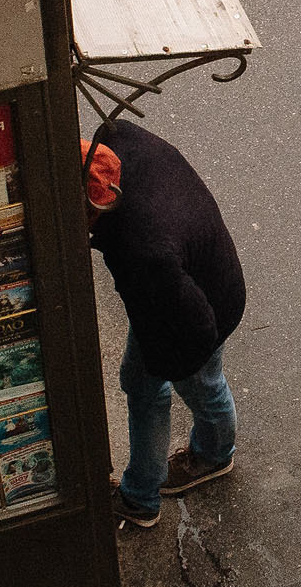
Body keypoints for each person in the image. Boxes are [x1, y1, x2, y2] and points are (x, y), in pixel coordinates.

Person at [82, 122, 246, 528]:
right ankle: (210, 454)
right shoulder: (119, 143)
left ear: (97, 208)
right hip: (201, 275)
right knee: (153, 382)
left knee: (176, 384)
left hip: (200, 311)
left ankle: (146, 494)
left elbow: (192, 331)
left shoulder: (142, 251)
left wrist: (166, 366)